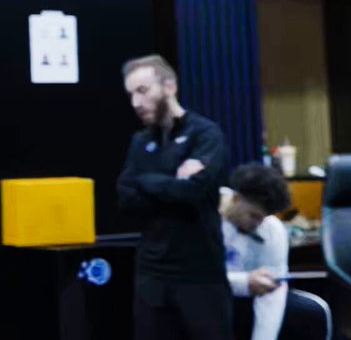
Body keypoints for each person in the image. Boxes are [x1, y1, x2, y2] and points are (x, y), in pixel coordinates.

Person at [116, 54, 230, 340]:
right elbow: (126, 199)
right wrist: (168, 182)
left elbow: (191, 192)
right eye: (131, 94)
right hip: (151, 274)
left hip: (200, 274)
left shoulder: (205, 134)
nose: (136, 103)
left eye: (143, 91)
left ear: (169, 87)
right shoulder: (140, 141)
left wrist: (144, 180)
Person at [221, 163, 291, 340]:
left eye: (264, 217)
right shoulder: (203, 217)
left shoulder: (272, 229)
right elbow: (196, 276)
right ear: (235, 199)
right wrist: (244, 282)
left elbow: (273, 292)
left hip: (248, 307)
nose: (259, 223)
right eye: (254, 215)